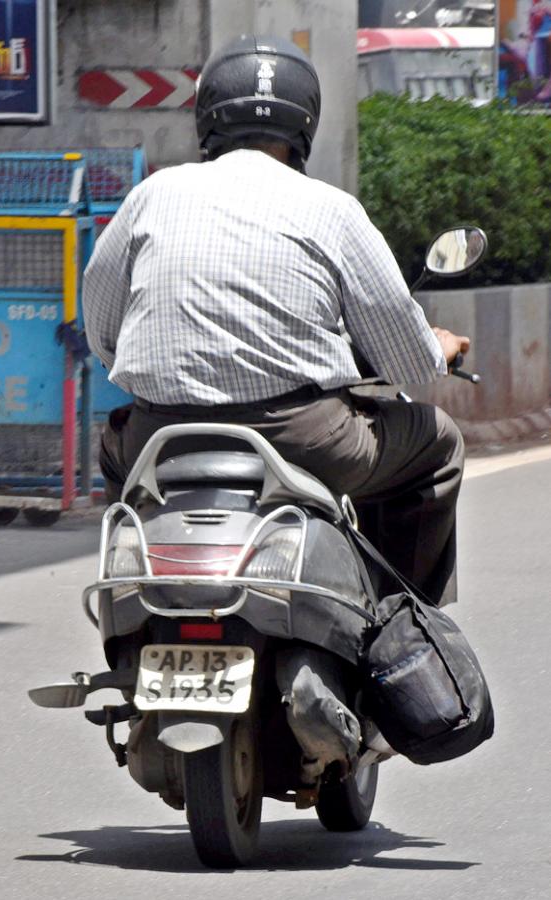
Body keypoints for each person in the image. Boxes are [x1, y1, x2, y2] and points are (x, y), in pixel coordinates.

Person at [83, 34, 470, 608]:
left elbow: (103, 332)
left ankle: (137, 594)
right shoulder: (332, 209)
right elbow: (407, 359)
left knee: (112, 446)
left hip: (158, 438)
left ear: (208, 117)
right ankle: (403, 619)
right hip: (302, 440)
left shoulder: (153, 195)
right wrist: (438, 347)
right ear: (303, 125)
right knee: (437, 442)